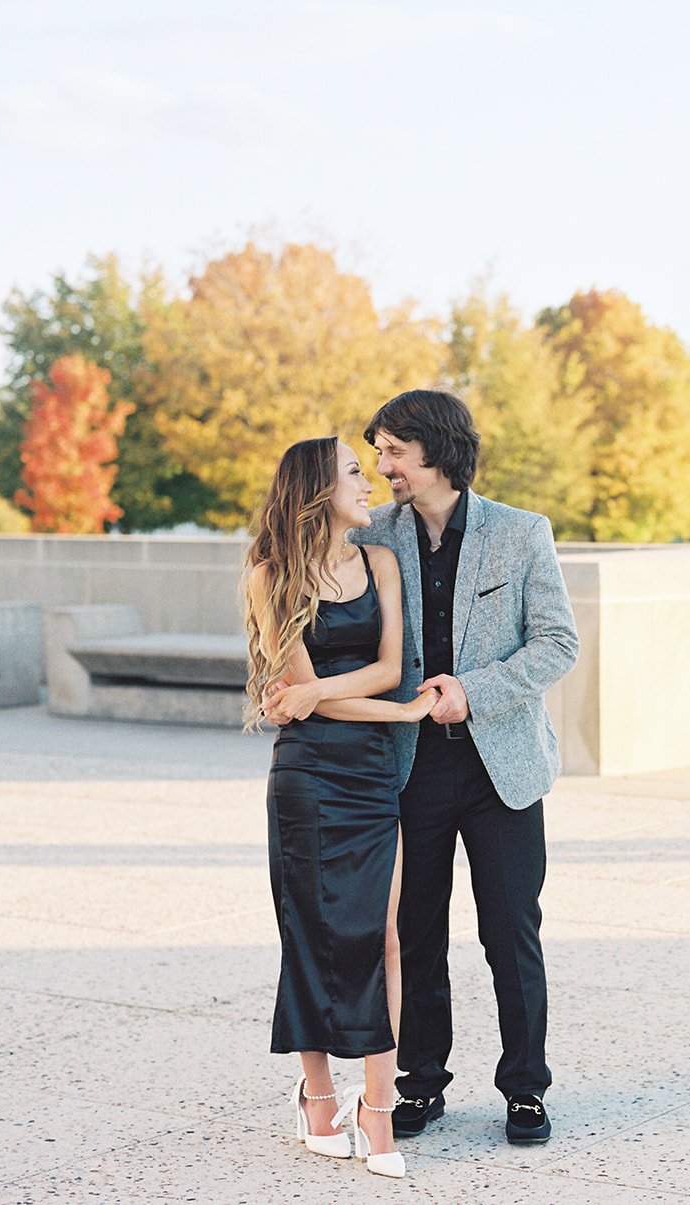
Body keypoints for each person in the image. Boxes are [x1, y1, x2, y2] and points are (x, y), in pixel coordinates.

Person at [351, 388, 578, 1144]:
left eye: (392, 451)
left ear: (437, 452)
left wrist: (471, 692)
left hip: (500, 767)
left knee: (510, 930)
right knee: (414, 930)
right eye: (378, 452)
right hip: (408, 766)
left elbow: (556, 643)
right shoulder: (372, 535)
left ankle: (525, 1088)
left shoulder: (521, 534)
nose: (382, 466)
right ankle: (420, 1084)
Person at [246, 436, 442, 1180]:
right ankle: (318, 1096)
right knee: (310, 932)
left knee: (382, 934)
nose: (369, 481)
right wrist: (398, 715)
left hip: (367, 779)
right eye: (354, 471)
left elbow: (388, 669)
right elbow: (308, 699)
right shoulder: (271, 576)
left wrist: (317, 693)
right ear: (317, 489)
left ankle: (378, 1105)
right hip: (307, 775)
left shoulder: (380, 564)